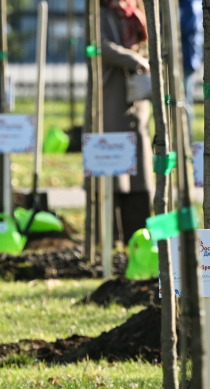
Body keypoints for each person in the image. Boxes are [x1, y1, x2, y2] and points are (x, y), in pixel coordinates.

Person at [84, 0, 153, 243]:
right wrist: (133, 60)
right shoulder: (98, 12)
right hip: (108, 97)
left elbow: (147, 43)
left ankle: (138, 231)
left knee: (139, 167)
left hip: (136, 99)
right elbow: (98, 45)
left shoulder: (138, 9)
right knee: (112, 167)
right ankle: (109, 235)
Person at [180, 0, 203, 136]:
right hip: (179, 58)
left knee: (184, 100)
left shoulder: (190, 3)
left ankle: (186, 141)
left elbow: (187, 25)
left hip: (185, 60)